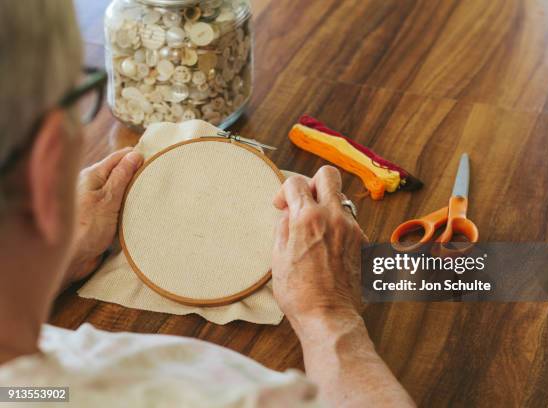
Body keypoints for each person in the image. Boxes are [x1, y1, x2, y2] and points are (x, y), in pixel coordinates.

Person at [0, 1, 415, 407]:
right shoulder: (220, 395)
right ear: (47, 158)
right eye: (84, 92)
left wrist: (49, 259)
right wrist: (328, 315)